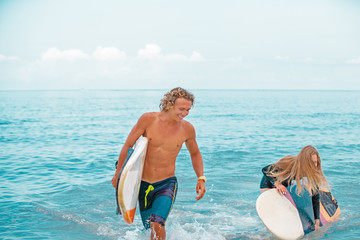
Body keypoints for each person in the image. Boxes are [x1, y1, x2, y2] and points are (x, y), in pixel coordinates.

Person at [111, 87, 206, 240]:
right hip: (142, 184)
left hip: (166, 184)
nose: (185, 113)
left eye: (188, 110)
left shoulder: (187, 129)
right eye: (181, 109)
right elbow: (128, 146)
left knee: (157, 224)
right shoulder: (148, 120)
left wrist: (200, 178)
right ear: (169, 104)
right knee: (149, 228)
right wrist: (118, 174)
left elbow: (195, 153)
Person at [260, 145, 329, 229]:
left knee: (289, 208)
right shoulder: (289, 162)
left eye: (316, 162)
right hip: (269, 185)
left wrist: (317, 220)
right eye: (312, 162)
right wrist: (277, 184)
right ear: (304, 162)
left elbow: (315, 196)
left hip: (284, 186)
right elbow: (265, 169)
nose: (314, 165)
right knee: (278, 212)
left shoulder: (312, 170)